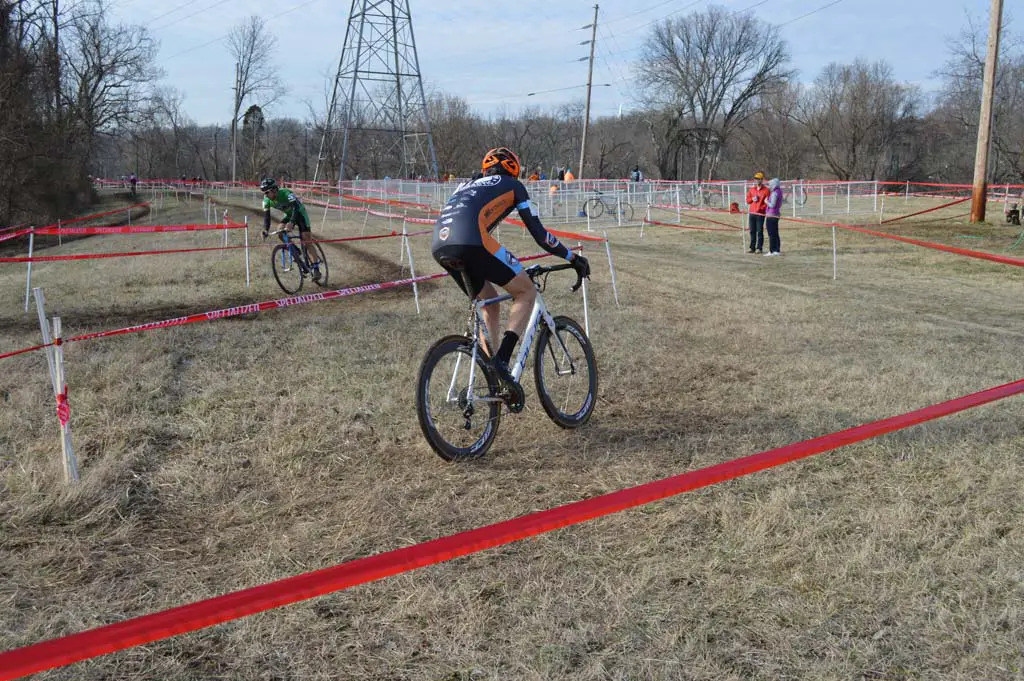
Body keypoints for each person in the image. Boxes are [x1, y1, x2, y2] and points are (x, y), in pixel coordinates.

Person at [431, 147, 590, 391]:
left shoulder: (464, 185)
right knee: (526, 291)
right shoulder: (512, 185)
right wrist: (571, 257)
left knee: (490, 302)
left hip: (440, 245)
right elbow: (539, 234)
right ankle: (501, 362)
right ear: (513, 168)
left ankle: (489, 378)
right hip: (472, 240)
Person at [260, 177, 322, 282]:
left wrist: (292, 222)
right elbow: (267, 217)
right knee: (280, 231)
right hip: (289, 215)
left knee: (306, 240)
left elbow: (296, 207)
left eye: (267, 192)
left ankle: (316, 270)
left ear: (274, 189)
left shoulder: (286, 193)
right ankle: (296, 251)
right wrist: (265, 230)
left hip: (300, 213)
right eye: (263, 193)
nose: (265, 195)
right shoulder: (266, 201)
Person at [745, 171, 770, 254]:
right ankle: (752, 247)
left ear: (762, 180)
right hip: (752, 213)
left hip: (760, 214)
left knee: (759, 231)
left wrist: (761, 209)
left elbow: (767, 203)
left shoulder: (766, 190)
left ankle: (759, 248)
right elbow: (747, 201)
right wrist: (752, 199)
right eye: (755, 179)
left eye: (758, 179)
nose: (756, 180)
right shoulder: (752, 190)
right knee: (752, 231)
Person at [764, 178, 784, 256]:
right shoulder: (779, 192)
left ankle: (772, 251)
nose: (769, 186)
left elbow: (772, 205)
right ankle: (777, 250)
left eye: (770, 185)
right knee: (775, 233)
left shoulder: (774, 193)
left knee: (771, 233)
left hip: (771, 215)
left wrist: (766, 202)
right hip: (776, 214)